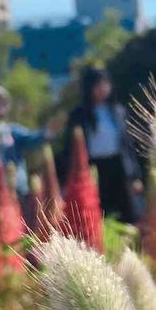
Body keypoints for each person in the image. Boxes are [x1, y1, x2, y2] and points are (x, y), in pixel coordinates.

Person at [60, 66, 142, 223]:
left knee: (126, 214)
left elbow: (128, 146)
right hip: (93, 168)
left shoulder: (118, 111)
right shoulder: (79, 115)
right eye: (98, 85)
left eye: (105, 84)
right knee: (98, 214)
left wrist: (135, 176)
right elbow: (70, 149)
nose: (103, 89)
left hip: (118, 166)